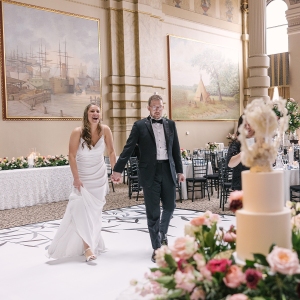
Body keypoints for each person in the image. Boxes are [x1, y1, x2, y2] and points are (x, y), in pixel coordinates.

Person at [111, 94, 185, 263]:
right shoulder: (139, 126)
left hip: (168, 169)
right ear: (148, 108)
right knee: (152, 212)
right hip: (149, 172)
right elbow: (128, 149)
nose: (157, 109)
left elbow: (175, 151)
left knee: (170, 206)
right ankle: (157, 248)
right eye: (154, 106)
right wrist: (117, 170)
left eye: (160, 106)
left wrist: (180, 171)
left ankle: (161, 233)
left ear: (163, 107)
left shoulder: (171, 125)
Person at [48, 103, 116, 262]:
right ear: (86, 114)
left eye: (98, 111)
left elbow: (112, 152)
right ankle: (87, 247)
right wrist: (76, 178)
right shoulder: (77, 132)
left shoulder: (105, 130)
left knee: (94, 212)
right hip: (83, 176)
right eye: (92, 111)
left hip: (99, 176)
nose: (95, 113)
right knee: (80, 208)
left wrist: (115, 171)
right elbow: (71, 156)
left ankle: (93, 241)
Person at [226, 115, 255, 190]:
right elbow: (230, 164)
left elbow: (272, 162)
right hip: (241, 184)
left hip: (259, 183)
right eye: (244, 125)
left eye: (249, 124)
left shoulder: (261, 141)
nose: (247, 127)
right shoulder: (236, 143)